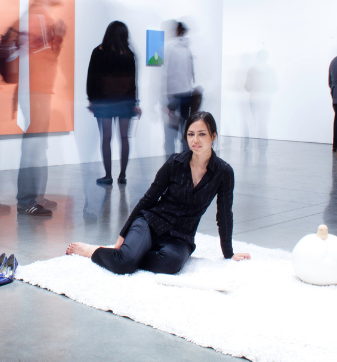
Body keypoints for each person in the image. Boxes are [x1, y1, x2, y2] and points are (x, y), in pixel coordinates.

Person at [66, 111, 251, 273]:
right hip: (151, 223)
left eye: (202, 134)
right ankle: (93, 251)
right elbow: (148, 199)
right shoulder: (174, 163)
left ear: (213, 136)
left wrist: (229, 253)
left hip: (181, 237)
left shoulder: (223, 172)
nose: (195, 140)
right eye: (191, 134)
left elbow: (224, 215)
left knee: (170, 264)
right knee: (125, 264)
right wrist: (123, 234)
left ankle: (128, 255)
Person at [17, 0, 67, 216]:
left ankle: (36, 196)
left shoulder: (39, 17)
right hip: (35, 90)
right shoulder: (37, 18)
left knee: (38, 145)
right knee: (34, 146)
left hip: (38, 90)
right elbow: (43, 56)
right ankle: (27, 200)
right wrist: (58, 37)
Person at [86, 21, 140, 185]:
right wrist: (135, 102)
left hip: (104, 102)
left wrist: (91, 99)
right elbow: (133, 82)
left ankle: (108, 175)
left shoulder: (98, 52)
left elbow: (91, 77)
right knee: (124, 138)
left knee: (106, 138)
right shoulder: (129, 54)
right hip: (125, 102)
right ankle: (122, 175)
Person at [164, 21, 200, 156]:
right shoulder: (187, 50)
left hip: (173, 96)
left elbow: (166, 75)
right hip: (186, 94)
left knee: (170, 136)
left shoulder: (170, 48)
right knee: (185, 132)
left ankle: (172, 163)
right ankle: (184, 161)